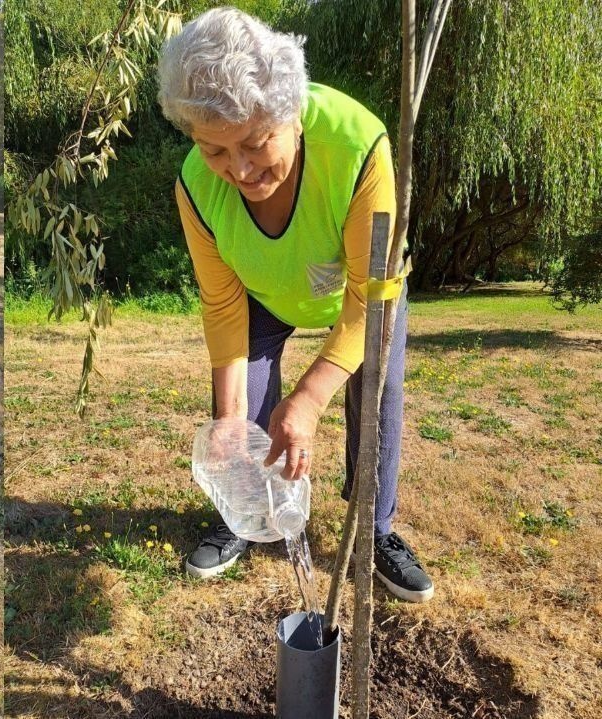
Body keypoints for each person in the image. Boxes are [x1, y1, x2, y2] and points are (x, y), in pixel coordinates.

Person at [157, 7, 433, 602]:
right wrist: (230, 420)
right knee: (241, 416)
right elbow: (223, 306)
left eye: (256, 144)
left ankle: (376, 529)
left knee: (375, 399)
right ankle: (242, 519)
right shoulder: (196, 188)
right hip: (262, 298)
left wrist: (308, 399)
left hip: (364, 295)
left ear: (293, 112)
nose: (240, 169)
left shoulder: (358, 148)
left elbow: (369, 298)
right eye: (215, 151)